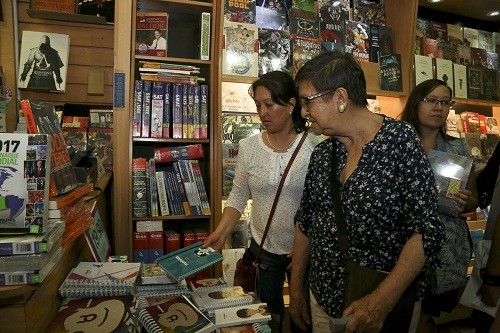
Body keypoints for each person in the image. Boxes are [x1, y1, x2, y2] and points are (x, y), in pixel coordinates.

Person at [289, 50, 443, 333]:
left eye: (307, 101)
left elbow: (426, 230)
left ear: (340, 98)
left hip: (380, 306)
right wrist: (296, 291)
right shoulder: (323, 154)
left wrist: (380, 302)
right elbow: (305, 223)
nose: (302, 111)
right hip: (322, 299)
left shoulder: (400, 141)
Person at [203, 70, 320, 333]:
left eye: (269, 104)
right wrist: (221, 233)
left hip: (305, 252)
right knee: (267, 317)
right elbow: (238, 195)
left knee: (305, 317)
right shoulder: (249, 146)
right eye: (258, 105)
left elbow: (321, 205)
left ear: (291, 105)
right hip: (263, 248)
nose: (262, 112)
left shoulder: (315, 145)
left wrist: (307, 246)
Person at [400, 79, 479, 332]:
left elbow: (473, 199)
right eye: (432, 101)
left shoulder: (457, 146)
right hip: (403, 239)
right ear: (417, 102)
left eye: (445, 102)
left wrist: (466, 200)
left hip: (445, 244)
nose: (439, 108)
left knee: (430, 310)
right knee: (403, 306)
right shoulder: (398, 142)